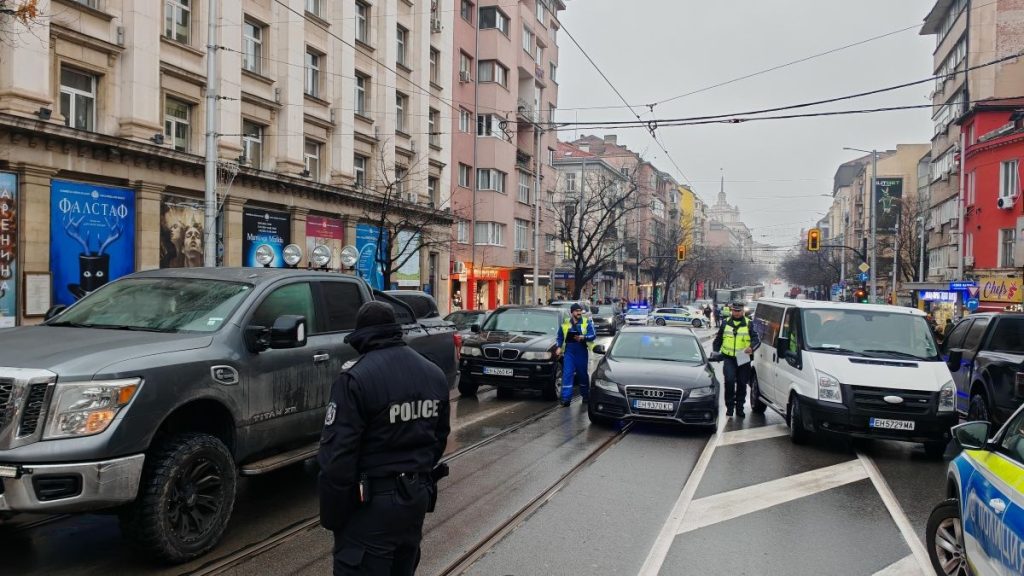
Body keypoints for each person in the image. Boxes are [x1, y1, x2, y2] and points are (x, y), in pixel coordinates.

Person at [318, 302, 451, 575]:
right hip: (415, 500)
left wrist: (335, 517)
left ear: (362, 336)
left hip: (371, 507)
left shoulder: (355, 378)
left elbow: (337, 457)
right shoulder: (433, 374)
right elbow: (439, 437)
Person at [712, 301, 761, 418]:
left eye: (739, 311)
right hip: (729, 357)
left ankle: (739, 407)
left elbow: (756, 340)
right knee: (729, 381)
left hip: (743, 357)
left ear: (742, 311)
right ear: (731, 311)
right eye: (735, 310)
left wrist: (751, 348)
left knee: (741, 383)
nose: (737, 313)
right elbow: (718, 340)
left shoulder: (749, 324)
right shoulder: (725, 323)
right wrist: (715, 352)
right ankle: (729, 407)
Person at [555, 303, 596, 407]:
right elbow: (560, 336)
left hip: (581, 351)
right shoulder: (565, 323)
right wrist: (559, 347)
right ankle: (566, 399)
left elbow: (593, 335)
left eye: (580, 310)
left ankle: (585, 395)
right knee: (567, 374)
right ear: (572, 312)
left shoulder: (587, 322)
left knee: (582, 375)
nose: (579, 312)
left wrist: (583, 337)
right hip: (569, 352)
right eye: (577, 311)